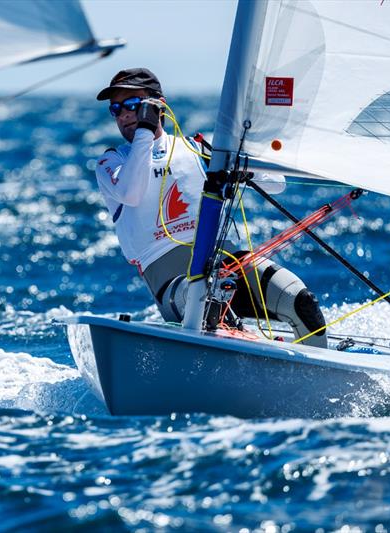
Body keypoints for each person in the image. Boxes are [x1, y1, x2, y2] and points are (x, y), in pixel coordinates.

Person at [94, 68, 328, 348]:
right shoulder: (111, 163)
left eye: (133, 105)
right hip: (172, 278)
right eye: (116, 109)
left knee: (302, 302)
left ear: (160, 105)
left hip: (229, 260)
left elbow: (277, 183)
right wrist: (145, 132)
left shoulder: (199, 149)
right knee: (208, 306)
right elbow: (131, 193)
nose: (124, 115)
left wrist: (243, 166)